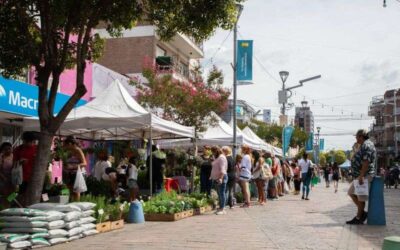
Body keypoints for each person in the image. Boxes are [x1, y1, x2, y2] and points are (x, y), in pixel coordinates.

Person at [346, 129, 376, 225]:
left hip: (365, 175)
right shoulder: (363, 145)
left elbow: (366, 161)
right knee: (351, 192)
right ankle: (362, 213)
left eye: (357, 136)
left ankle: (359, 217)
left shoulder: (367, 145)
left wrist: (362, 175)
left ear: (361, 136)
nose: (356, 138)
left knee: (361, 197)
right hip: (360, 175)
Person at [63, 136, 87, 201]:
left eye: (66, 145)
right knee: (70, 191)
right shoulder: (69, 151)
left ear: (70, 144)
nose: (65, 146)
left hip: (77, 174)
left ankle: (76, 205)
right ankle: (71, 204)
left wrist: (72, 166)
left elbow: (84, 163)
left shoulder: (78, 150)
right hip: (69, 174)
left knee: (76, 191)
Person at [210, 146, 228, 215]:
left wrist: (220, 178)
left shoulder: (221, 158)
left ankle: (222, 209)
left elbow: (223, 169)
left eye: (212, 152)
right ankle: (221, 207)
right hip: (217, 178)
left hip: (221, 177)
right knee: (220, 193)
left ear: (215, 151)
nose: (212, 153)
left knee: (221, 193)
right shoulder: (218, 157)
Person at [0, 142, 14, 207]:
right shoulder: (1, 157)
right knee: (4, 195)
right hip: (3, 180)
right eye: (6, 149)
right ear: (3, 150)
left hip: (13, 179)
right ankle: (4, 208)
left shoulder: (13, 156)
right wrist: (3, 177)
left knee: (12, 195)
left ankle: (8, 206)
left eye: (9, 148)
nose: (8, 150)